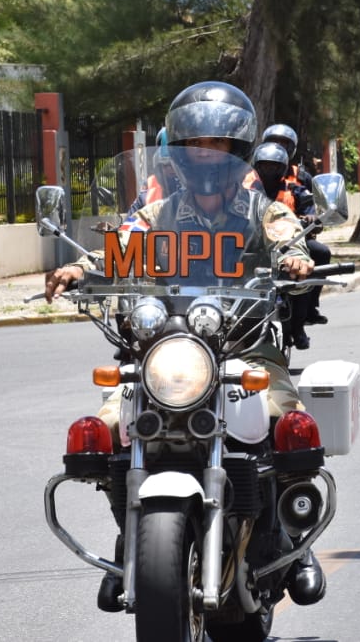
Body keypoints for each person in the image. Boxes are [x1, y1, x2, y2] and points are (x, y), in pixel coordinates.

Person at [43, 81, 326, 608]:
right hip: (165, 351)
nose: (205, 155)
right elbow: (120, 246)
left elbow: (291, 239)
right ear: (178, 153)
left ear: (236, 153)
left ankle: (294, 542)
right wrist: (78, 268)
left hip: (244, 346)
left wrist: (294, 260)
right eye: (196, 146)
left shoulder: (259, 210)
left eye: (216, 146)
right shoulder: (157, 215)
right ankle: (132, 539)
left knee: (288, 422)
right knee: (106, 429)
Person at [252, 142, 332, 350]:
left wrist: (312, 217)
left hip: (292, 244)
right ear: (256, 167)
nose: (269, 171)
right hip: (255, 244)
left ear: (283, 168)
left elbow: (311, 207)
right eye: (265, 166)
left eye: (274, 166)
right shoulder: (246, 193)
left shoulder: (295, 189)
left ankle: (301, 323)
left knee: (314, 259)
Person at [125, 129, 181, 217]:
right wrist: (119, 229)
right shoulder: (147, 194)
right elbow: (129, 225)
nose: (173, 169)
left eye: (178, 165)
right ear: (159, 168)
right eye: (167, 164)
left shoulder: (201, 195)